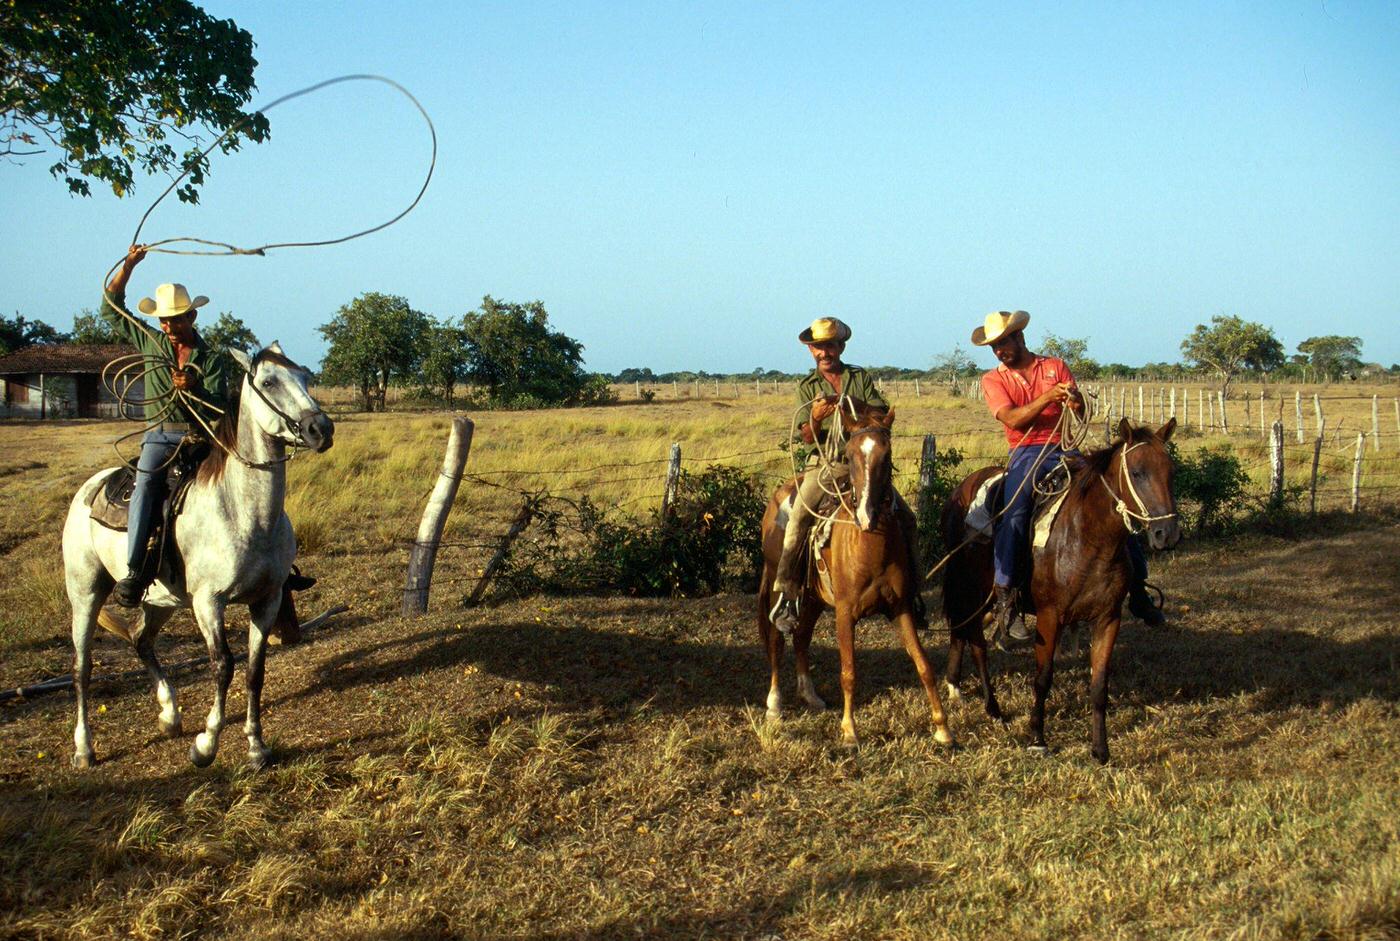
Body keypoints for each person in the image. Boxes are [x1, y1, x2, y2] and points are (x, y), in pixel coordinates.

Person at [972, 310, 1163, 646]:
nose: (1000, 350)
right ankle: (1006, 596)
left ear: (1020, 337)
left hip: (1064, 447)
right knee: (1014, 513)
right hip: (1027, 453)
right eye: (994, 346)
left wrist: (1075, 403)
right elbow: (1013, 420)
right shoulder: (993, 380)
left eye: (1003, 342)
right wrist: (1047, 397)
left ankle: (1138, 586)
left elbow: (1080, 410)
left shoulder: (1054, 366)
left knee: (1113, 499)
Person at [770, 317, 925, 633]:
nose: (824, 352)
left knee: (907, 518)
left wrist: (850, 404)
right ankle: (788, 592)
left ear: (840, 347)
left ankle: (913, 593)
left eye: (829, 345)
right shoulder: (807, 387)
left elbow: (881, 417)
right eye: (818, 347)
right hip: (828, 465)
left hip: (864, 465)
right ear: (811, 351)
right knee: (799, 515)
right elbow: (807, 438)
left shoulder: (859, 377)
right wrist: (814, 418)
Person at [102, 245, 232, 607]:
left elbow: (220, 406)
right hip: (160, 434)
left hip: (202, 436)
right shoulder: (150, 340)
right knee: (145, 484)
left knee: (247, 479)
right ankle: (134, 569)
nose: (170, 327)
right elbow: (110, 307)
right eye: (164, 320)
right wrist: (128, 264)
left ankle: (272, 570)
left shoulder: (213, 358)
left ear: (192, 317)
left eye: (176, 319)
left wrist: (196, 387)